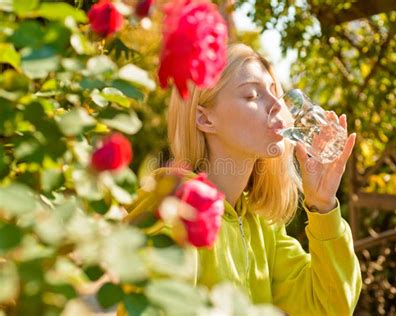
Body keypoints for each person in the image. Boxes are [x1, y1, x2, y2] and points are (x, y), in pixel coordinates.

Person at [126, 43, 362, 315]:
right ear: (204, 119)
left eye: (276, 93)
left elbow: (331, 306)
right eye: (252, 95)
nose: (277, 106)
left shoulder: (261, 226)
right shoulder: (177, 212)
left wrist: (323, 205)